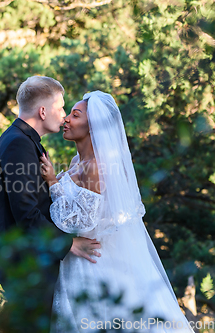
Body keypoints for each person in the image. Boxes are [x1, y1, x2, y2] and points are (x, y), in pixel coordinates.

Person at [40, 91, 194, 332]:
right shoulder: (76, 163)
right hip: (76, 262)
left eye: (75, 115)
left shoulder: (96, 167)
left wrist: (52, 182)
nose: (66, 119)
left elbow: (83, 223)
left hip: (91, 264)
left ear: (94, 127)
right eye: (69, 113)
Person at [0, 76, 102, 332]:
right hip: (25, 266)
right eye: (61, 108)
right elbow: (26, 214)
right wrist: (68, 242)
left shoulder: (23, 141)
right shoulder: (18, 144)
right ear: (42, 111)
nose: (63, 116)